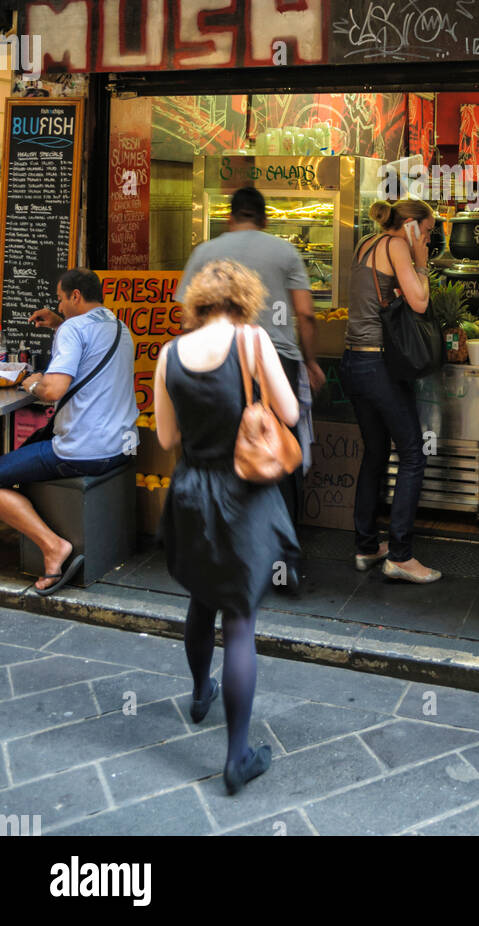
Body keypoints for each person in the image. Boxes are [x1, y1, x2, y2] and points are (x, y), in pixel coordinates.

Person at [154, 259, 300, 796]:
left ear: (197, 301)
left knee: (201, 598)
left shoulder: (170, 353)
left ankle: (199, 693)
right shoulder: (252, 340)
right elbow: (285, 411)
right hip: (241, 495)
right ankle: (237, 756)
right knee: (239, 619)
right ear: (244, 297)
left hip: (191, 493)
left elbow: (167, 437)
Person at [176, 185, 324, 585]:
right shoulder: (285, 251)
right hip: (276, 359)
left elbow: (186, 319)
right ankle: (284, 559)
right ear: (264, 217)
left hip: (217, 362)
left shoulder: (205, 252)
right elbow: (305, 315)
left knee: (227, 450)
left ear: (230, 216)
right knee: (277, 448)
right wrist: (309, 361)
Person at [0, 269, 138, 594]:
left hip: (82, 451)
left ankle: (52, 547)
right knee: (24, 452)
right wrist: (58, 324)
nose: (59, 306)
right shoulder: (119, 327)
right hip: (120, 446)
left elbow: (52, 390)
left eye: (61, 299)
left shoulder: (73, 328)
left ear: (75, 296)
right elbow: (89, 347)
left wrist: (30, 381)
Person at [340, 197, 440, 584]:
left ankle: (366, 545)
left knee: (376, 452)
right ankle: (400, 555)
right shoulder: (398, 246)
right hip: (380, 366)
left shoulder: (367, 242)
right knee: (413, 455)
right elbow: (419, 302)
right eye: (428, 232)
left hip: (354, 362)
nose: (429, 240)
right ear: (412, 226)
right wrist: (418, 259)